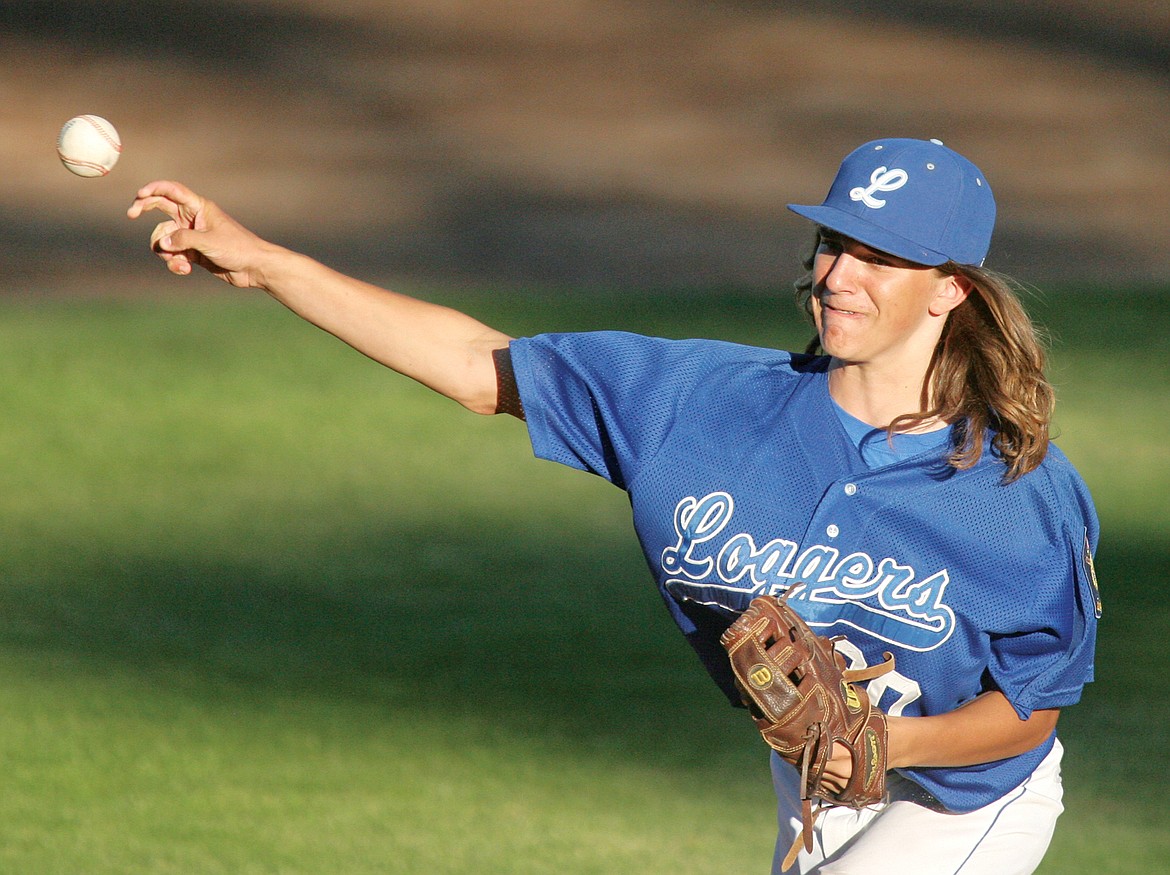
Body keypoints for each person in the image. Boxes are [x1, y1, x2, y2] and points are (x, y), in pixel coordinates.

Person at [128, 137, 1100, 874]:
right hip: (814, 773)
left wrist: (887, 740)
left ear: (950, 293)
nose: (840, 275)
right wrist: (264, 263)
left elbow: (1030, 707)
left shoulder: (1014, 490)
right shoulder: (694, 404)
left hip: (959, 793)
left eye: (880, 257)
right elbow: (480, 367)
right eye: (834, 243)